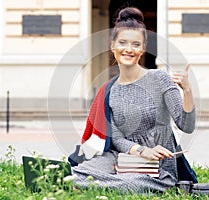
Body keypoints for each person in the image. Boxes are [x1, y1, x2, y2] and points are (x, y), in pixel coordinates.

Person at [68, 6, 197, 193]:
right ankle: (80, 180)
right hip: (123, 157)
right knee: (79, 170)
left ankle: (80, 185)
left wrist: (187, 90)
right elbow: (117, 138)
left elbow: (187, 126)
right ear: (113, 45)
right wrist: (140, 150)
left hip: (157, 166)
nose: (128, 49)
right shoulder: (109, 90)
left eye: (136, 44)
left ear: (143, 48)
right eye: (122, 42)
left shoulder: (160, 79)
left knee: (134, 182)